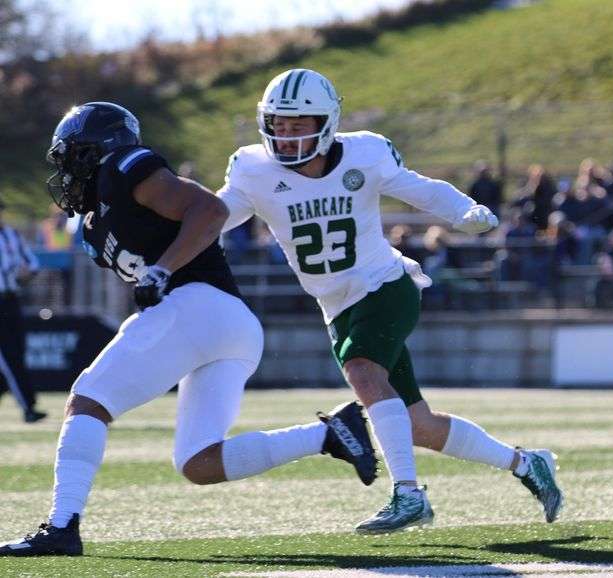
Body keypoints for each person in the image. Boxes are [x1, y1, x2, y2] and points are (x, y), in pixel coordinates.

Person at [0, 102, 377, 557]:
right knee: (198, 463)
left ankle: (61, 526)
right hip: (228, 326)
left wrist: (161, 271)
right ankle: (331, 433)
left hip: (198, 303)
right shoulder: (95, 224)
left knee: (87, 400)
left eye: (71, 157)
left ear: (96, 150)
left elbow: (210, 210)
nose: (65, 172)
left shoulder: (125, 167)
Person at [217, 69, 563, 535]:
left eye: (300, 124)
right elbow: (216, 216)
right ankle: (526, 463)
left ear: (328, 122)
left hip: (385, 285)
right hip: (338, 307)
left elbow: (421, 189)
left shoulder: (365, 154)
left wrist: (463, 210)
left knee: (363, 372)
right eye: (279, 123)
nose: (287, 135)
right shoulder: (253, 169)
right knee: (416, 424)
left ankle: (408, 495)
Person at [0, 198, 46, 423]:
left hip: (11, 299)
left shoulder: (11, 235)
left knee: (17, 351)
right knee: (10, 356)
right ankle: (29, 407)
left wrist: (26, 273)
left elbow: (32, 263)